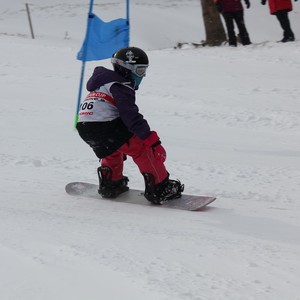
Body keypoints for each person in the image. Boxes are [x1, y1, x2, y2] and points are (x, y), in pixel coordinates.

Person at [76, 46, 184, 205]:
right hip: (106, 126)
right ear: (126, 70)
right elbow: (130, 115)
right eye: (140, 71)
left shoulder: (102, 84)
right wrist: (151, 140)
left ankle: (111, 183)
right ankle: (160, 187)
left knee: (112, 148)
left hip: (85, 127)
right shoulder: (121, 85)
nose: (143, 76)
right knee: (141, 148)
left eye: (145, 71)